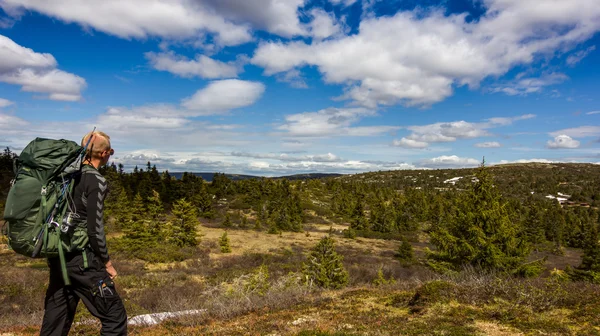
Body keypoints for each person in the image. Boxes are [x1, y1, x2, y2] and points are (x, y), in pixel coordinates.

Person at [40, 131, 127, 336]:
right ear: (104, 153)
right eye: (111, 152)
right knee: (114, 315)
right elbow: (95, 229)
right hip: (83, 261)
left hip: (59, 256)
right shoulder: (96, 181)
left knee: (57, 319)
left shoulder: (67, 176)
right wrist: (107, 263)